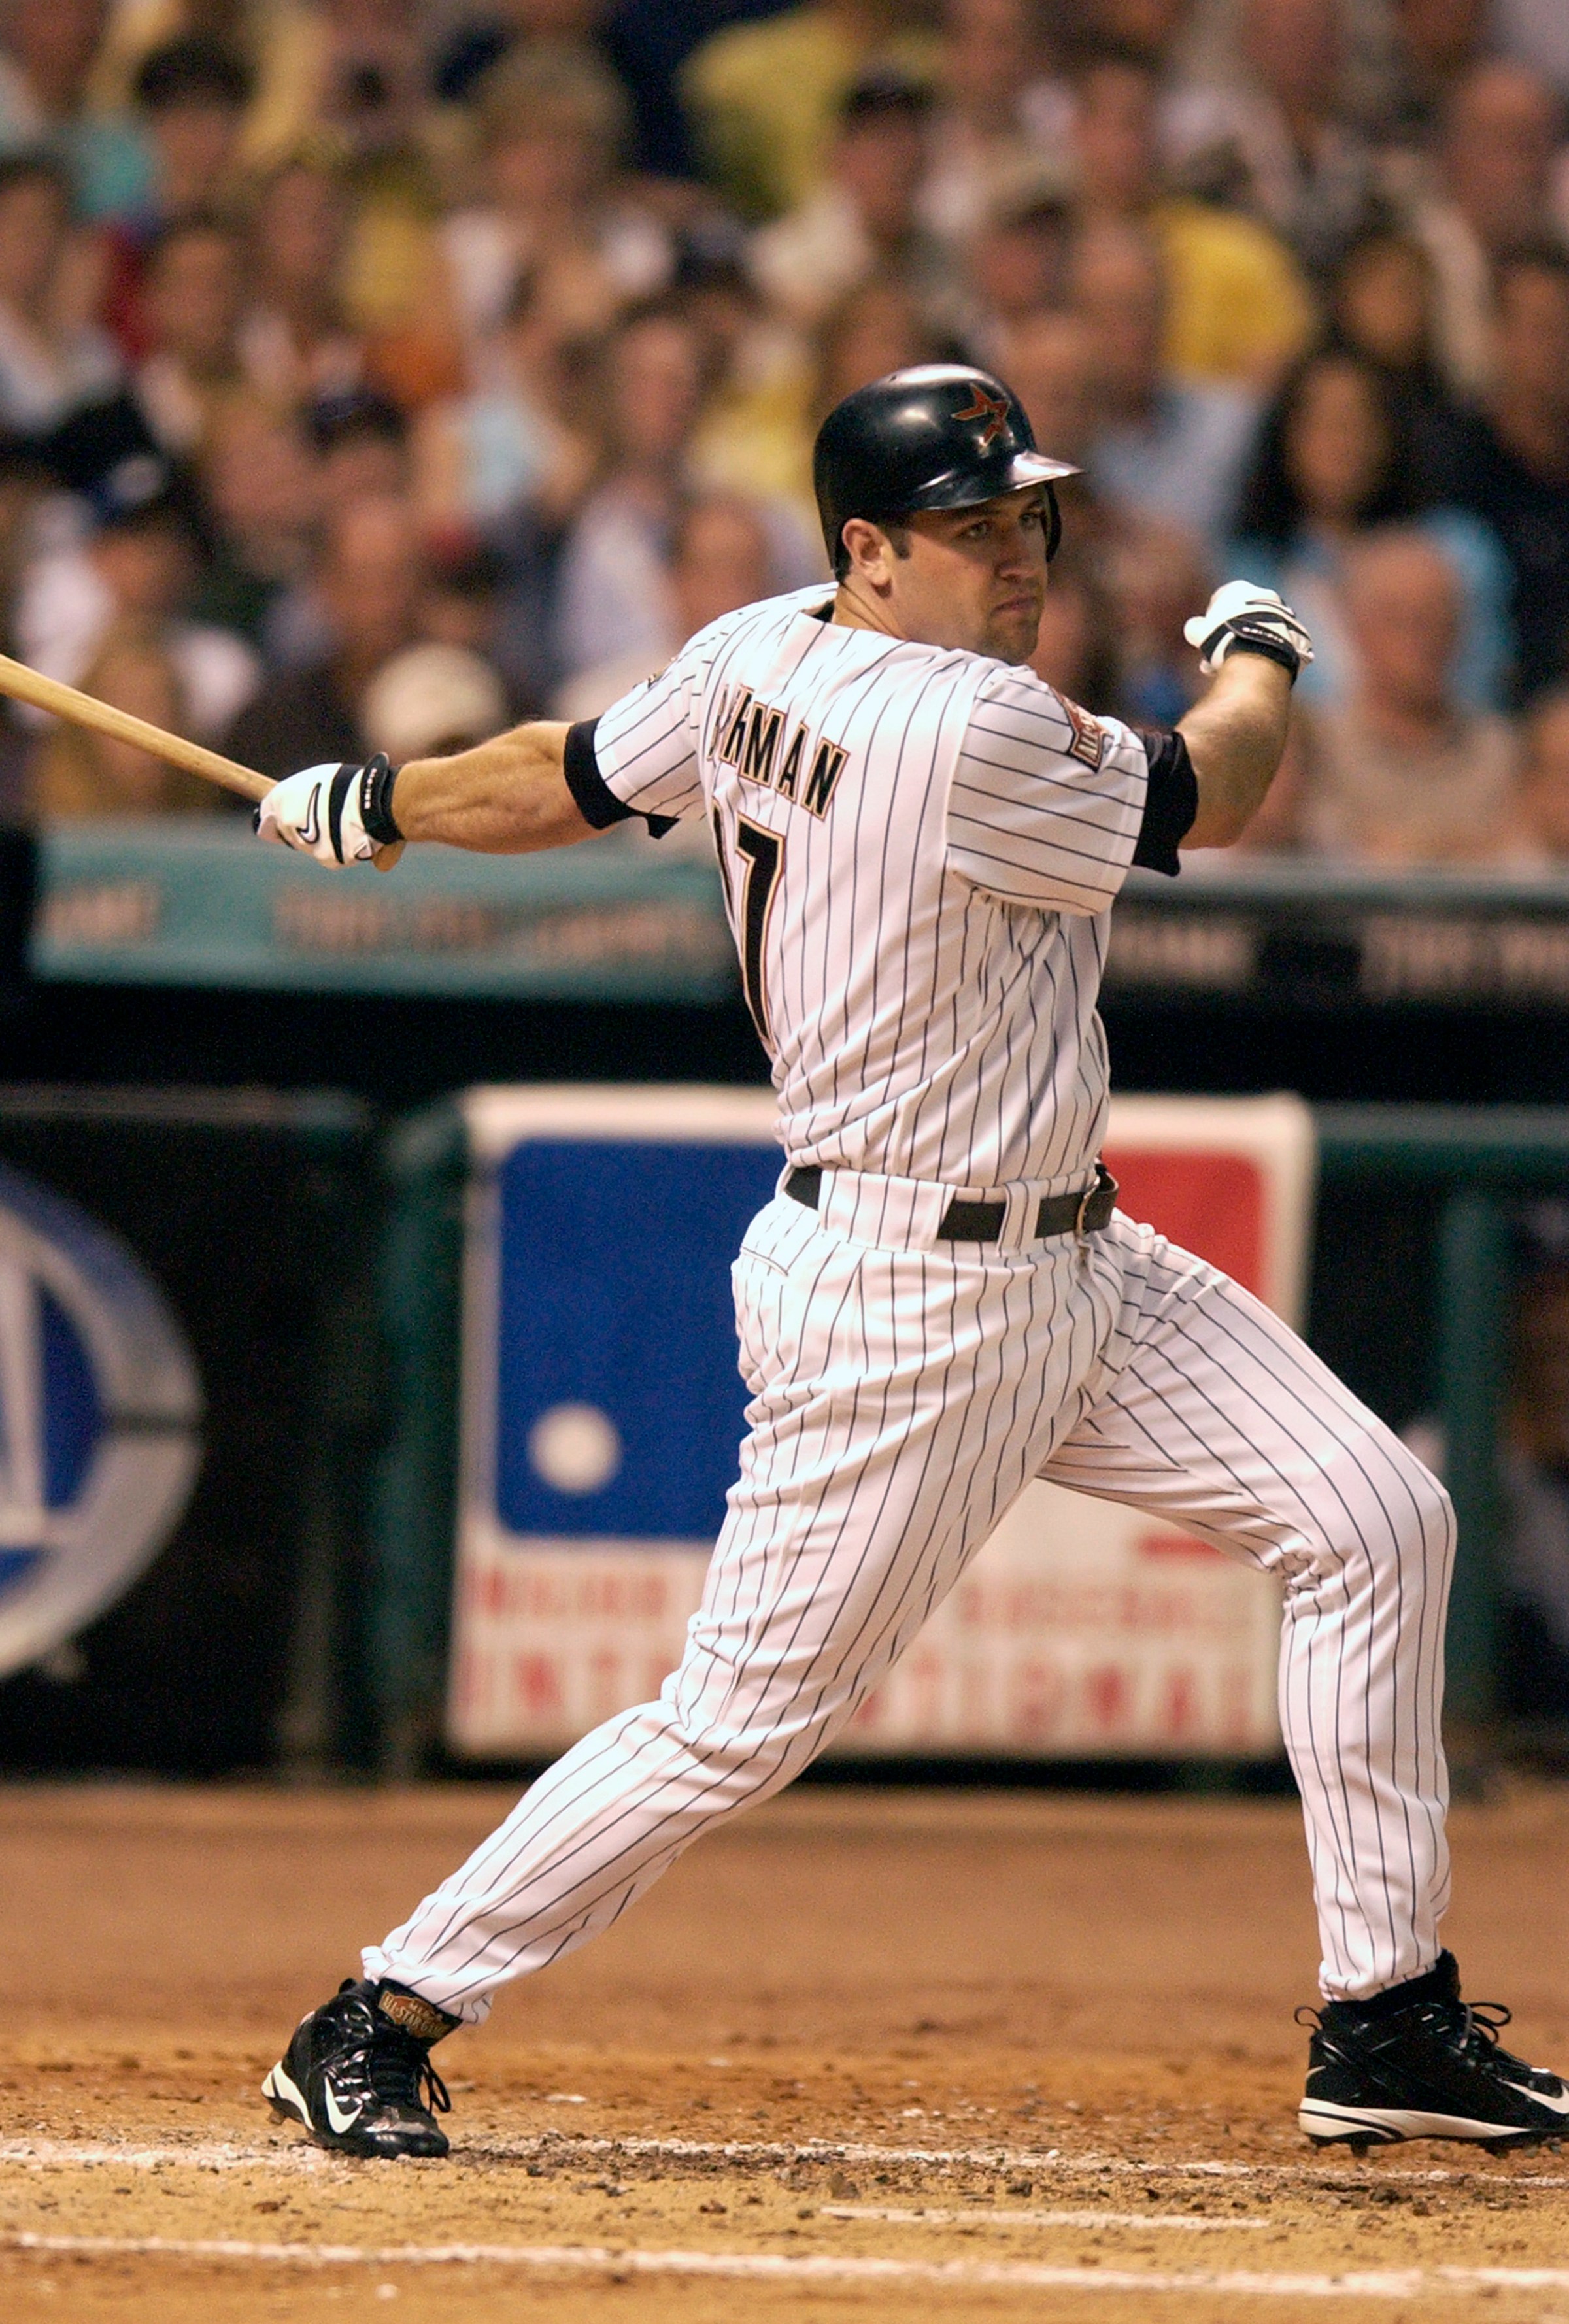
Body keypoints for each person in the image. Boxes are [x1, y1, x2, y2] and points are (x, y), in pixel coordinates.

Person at [254, 359, 1569, 2163]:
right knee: (736, 1725)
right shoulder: (967, 727)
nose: (1017, 553)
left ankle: (1387, 2015)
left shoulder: (751, 650)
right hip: (911, 1295)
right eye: (969, 527)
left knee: (1376, 1519)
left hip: (1076, 1259)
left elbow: (556, 778)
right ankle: (375, 2011)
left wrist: (382, 798)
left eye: (1027, 514)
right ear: (868, 549)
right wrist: (1264, 640)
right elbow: (1227, 789)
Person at [1292, 527, 1525, 866]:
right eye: (1403, 621)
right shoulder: (1313, 746)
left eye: (1439, 619)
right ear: (1356, 628)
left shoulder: (1502, 753)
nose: (1425, 640)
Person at [1438, 244, 1569, 705]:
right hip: (1487, 719)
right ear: (1498, 336)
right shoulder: (1449, 470)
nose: (1560, 349)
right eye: (1543, 329)